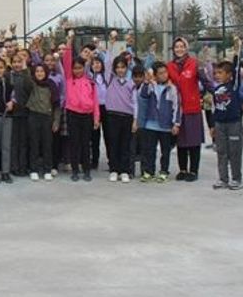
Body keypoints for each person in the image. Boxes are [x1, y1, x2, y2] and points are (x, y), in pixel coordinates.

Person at [203, 38, 243, 190]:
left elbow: (237, 65)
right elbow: (215, 107)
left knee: (234, 152)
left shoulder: (233, 85)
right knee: (221, 152)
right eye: (216, 73)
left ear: (229, 75)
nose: (218, 75)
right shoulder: (216, 88)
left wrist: (237, 49)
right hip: (220, 124)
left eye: (221, 73)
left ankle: (236, 179)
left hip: (234, 123)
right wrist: (212, 125)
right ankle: (223, 178)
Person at [62, 31, 100, 182]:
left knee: (86, 143)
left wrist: (96, 118)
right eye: (74, 68)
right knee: (74, 143)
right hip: (72, 114)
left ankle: (86, 170)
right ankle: (75, 170)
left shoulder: (90, 81)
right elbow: (66, 59)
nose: (77, 70)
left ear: (84, 68)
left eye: (79, 68)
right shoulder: (69, 79)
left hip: (87, 115)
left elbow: (95, 101)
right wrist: (69, 41)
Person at [134, 62, 182, 183]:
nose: (164, 75)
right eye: (160, 73)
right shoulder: (151, 86)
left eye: (165, 72)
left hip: (165, 126)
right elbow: (143, 96)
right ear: (155, 75)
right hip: (151, 124)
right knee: (149, 150)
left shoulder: (172, 88)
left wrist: (176, 123)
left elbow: (177, 107)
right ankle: (148, 171)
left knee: (165, 151)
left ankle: (164, 171)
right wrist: (146, 82)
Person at [167, 37, 205, 182]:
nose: (179, 49)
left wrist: (216, 92)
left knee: (194, 141)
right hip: (177, 109)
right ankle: (182, 169)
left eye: (182, 46)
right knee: (181, 141)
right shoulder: (169, 66)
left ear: (186, 48)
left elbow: (205, 81)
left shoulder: (194, 64)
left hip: (192, 107)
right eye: (176, 47)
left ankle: (194, 170)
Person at [103, 52, 137, 183]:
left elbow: (135, 103)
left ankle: (124, 171)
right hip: (112, 116)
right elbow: (107, 64)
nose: (120, 70)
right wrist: (110, 46)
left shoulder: (131, 83)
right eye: (117, 67)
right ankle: (114, 170)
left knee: (125, 144)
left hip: (127, 117)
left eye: (123, 67)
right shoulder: (110, 79)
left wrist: (135, 119)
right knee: (113, 143)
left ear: (127, 68)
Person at [26, 63, 61, 181]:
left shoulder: (51, 85)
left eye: (42, 71)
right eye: (37, 71)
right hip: (33, 116)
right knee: (34, 144)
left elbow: (56, 105)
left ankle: (47, 169)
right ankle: (34, 169)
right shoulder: (32, 84)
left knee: (47, 144)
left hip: (47, 117)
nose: (39, 73)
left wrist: (56, 121)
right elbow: (27, 77)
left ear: (46, 72)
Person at [9, 52, 33, 176]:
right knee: (14, 142)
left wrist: (25, 69)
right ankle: (14, 166)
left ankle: (23, 167)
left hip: (25, 113)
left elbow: (30, 88)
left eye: (19, 61)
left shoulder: (27, 75)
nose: (17, 64)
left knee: (23, 142)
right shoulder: (9, 76)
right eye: (15, 62)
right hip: (12, 114)